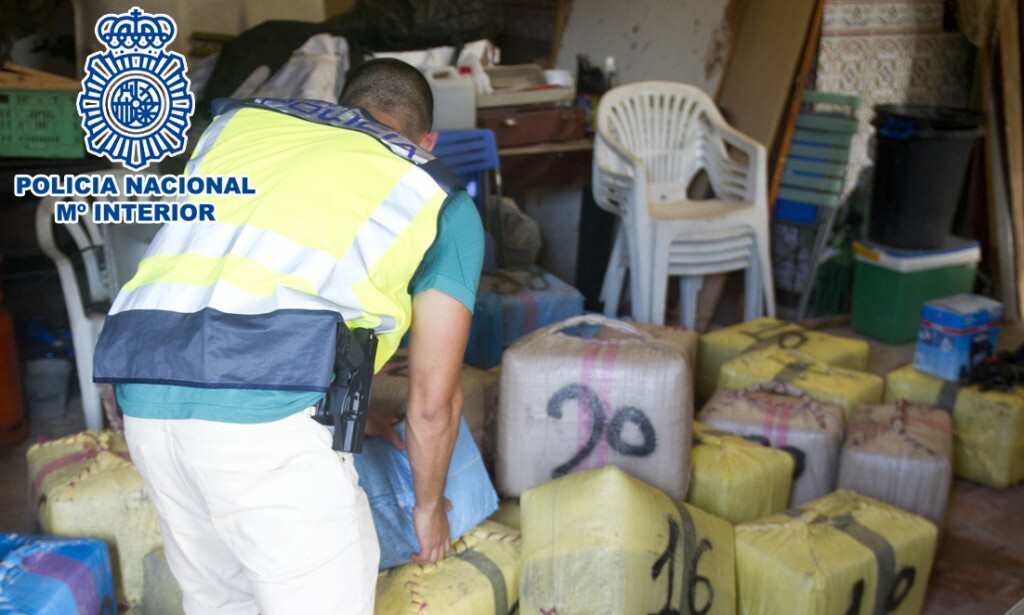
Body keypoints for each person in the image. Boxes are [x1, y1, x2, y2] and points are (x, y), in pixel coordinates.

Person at [92, 58, 484, 614]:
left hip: (146, 399)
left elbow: (249, 288)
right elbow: (432, 404)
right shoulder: (432, 189)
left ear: (341, 110)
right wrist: (428, 509)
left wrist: (342, 410)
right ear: (429, 140)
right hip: (264, 429)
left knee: (220, 604)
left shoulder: (241, 127)